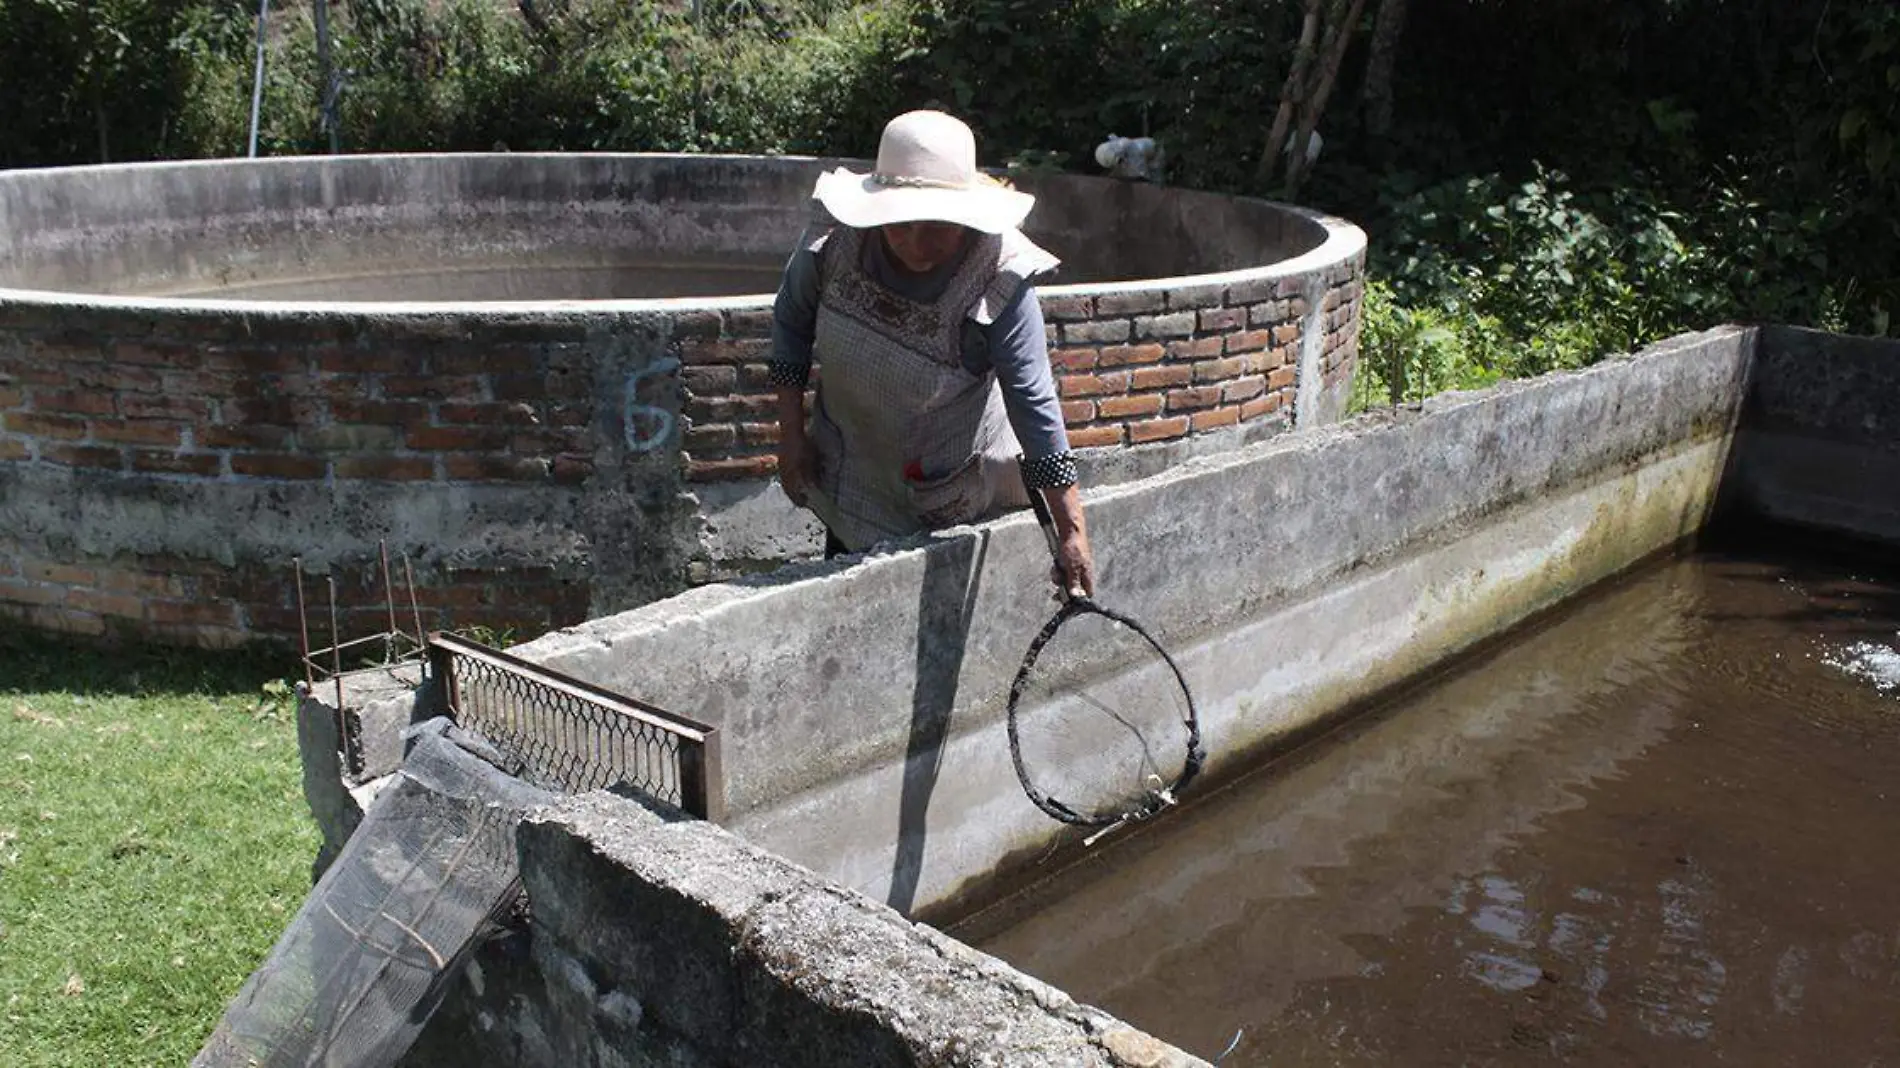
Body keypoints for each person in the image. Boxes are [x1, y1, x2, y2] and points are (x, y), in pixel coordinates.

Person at [769, 109, 1096, 597]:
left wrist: (1071, 531)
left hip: (943, 489)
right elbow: (790, 324)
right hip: (852, 466)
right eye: (901, 225)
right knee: (852, 600)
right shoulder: (835, 238)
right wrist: (791, 434)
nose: (918, 246)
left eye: (939, 226)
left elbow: (1034, 405)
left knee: (929, 608)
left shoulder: (999, 277)